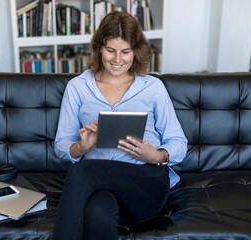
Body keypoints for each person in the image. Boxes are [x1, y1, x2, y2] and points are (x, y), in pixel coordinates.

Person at [53, 11, 188, 240]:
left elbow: (179, 143)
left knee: (82, 171)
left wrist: (156, 155)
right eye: (110, 50)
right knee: (98, 211)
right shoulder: (77, 87)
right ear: (99, 48)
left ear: (136, 52)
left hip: (146, 181)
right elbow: (62, 144)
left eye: (125, 52)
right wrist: (82, 147)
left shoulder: (153, 87)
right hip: (100, 187)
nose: (117, 60)